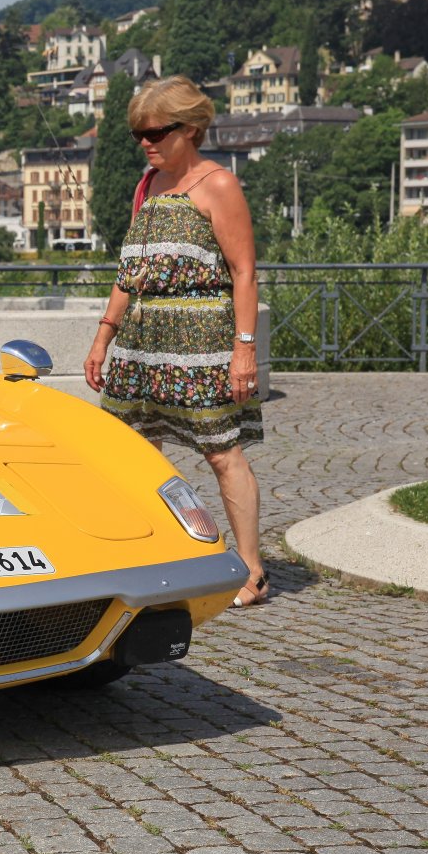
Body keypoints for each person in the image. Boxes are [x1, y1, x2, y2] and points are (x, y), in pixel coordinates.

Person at [83, 75, 268, 606]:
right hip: (140, 349)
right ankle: (153, 556)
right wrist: (103, 338)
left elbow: (244, 272)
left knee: (222, 453)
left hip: (200, 346)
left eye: (156, 132)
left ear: (190, 128)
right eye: (138, 134)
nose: (145, 142)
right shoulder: (148, 185)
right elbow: (130, 273)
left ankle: (252, 570)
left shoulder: (219, 186)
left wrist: (245, 348)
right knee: (135, 453)